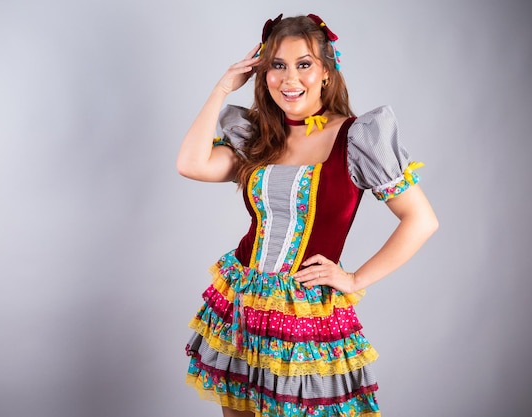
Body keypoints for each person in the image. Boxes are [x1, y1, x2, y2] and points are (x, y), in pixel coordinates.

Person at [176, 13, 438, 417]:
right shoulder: (258, 136)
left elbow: (421, 220)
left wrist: (354, 279)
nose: (289, 78)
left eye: (304, 64)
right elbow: (190, 164)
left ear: (327, 73)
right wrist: (222, 87)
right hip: (244, 302)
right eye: (277, 65)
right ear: (263, 74)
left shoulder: (357, 138)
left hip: (306, 314)